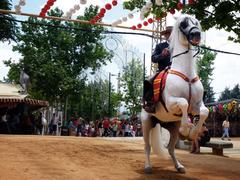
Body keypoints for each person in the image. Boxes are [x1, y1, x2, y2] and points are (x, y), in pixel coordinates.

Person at [143, 26, 173, 113]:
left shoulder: (181, 46)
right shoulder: (160, 46)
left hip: (178, 70)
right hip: (163, 70)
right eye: (167, 34)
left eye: (171, 33)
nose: (169, 35)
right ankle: (150, 103)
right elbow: (153, 58)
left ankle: (197, 105)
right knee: (149, 81)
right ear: (165, 36)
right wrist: (162, 55)